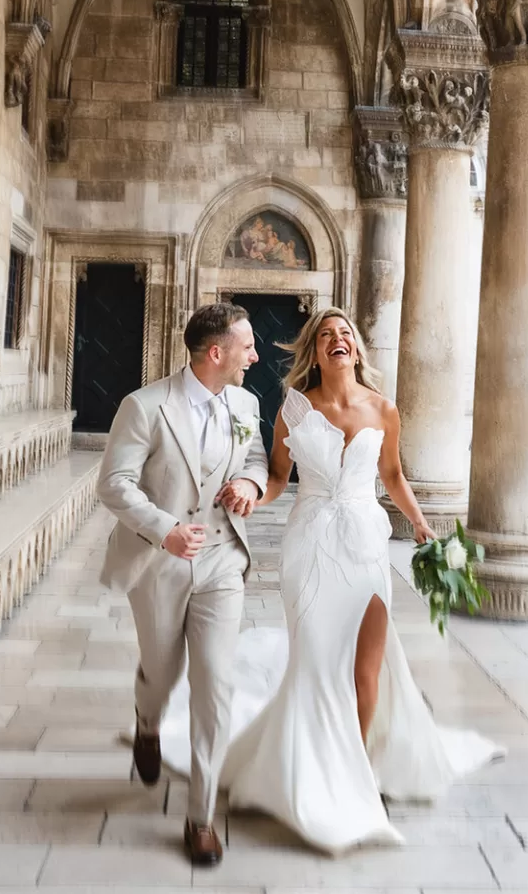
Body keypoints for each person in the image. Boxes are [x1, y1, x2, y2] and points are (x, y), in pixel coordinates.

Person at [159, 307, 504, 853]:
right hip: (311, 547)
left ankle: (359, 768)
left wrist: (420, 524)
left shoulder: (384, 410)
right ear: (314, 353)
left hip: (366, 544)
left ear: (357, 350)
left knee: (369, 671)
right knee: (317, 663)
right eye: (326, 335)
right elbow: (277, 477)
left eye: (345, 333)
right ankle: (314, 770)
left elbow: (391, 475)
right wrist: (252, 494)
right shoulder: (294, 409)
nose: (337, 339)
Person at [96, 303, 268, 867]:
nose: (255, 355)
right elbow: (114, 485)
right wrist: (166, 529)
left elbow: (260, 458)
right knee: (162, 670)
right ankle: (147, 723)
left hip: (223, 563)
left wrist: (248, 480)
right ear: (216, 353)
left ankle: (200, 816)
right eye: (247, 346)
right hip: (160, 565)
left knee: (214, 684)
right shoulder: (144, 407)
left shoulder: (247, 404)